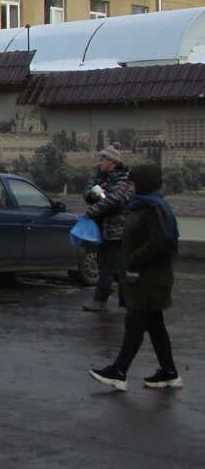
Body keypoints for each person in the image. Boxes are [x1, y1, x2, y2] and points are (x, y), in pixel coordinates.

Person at [90, 163, 184, 391]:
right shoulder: (142, 206)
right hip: (144, 279)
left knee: (135, 324)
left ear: (143, 184)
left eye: (133, 183)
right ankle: (169, 373)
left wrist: (134, 259)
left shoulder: (154, 209)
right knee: (155, 326)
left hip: (149, 280)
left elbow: (159, 241)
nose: (130, 187)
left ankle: (119, 371)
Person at [83, 144, 134, 312]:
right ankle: (129, 301)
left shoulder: (122, 179)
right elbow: (88, 192)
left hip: (117, 231)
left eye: (102, 159)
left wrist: (93, 211)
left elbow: (116, 200)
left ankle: (100, 300)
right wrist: (91, 194)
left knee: (107, 266)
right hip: (105, 230)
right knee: (117, 268)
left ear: (111, 162)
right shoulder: (102, 178)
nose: (99, 162)